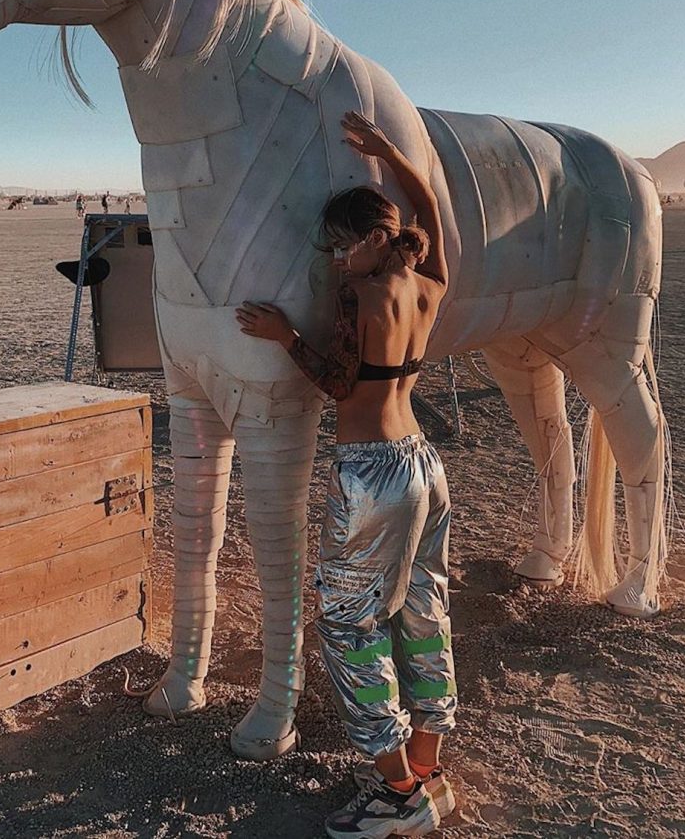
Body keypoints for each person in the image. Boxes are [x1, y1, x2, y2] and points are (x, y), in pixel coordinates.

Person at [236, 111, 457, 839]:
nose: (331, 259)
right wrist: (390, 154)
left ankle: (396, 797)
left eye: (337, 246)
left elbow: (336, 383)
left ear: (366, 241)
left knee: (347, 624)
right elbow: (426, 208)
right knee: (424, 608)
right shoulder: (429, 283)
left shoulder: (358, 297)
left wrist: (283, 335)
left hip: (370, 473)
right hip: (425, 463)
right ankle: (427, 770)